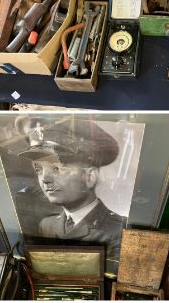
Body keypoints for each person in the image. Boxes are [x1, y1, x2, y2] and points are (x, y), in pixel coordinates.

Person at [16, 116, 127, 275]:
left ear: (90, 177)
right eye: (39, 169)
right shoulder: (46, 225)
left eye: (57, 168)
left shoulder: (117, 231)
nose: (45, 179)